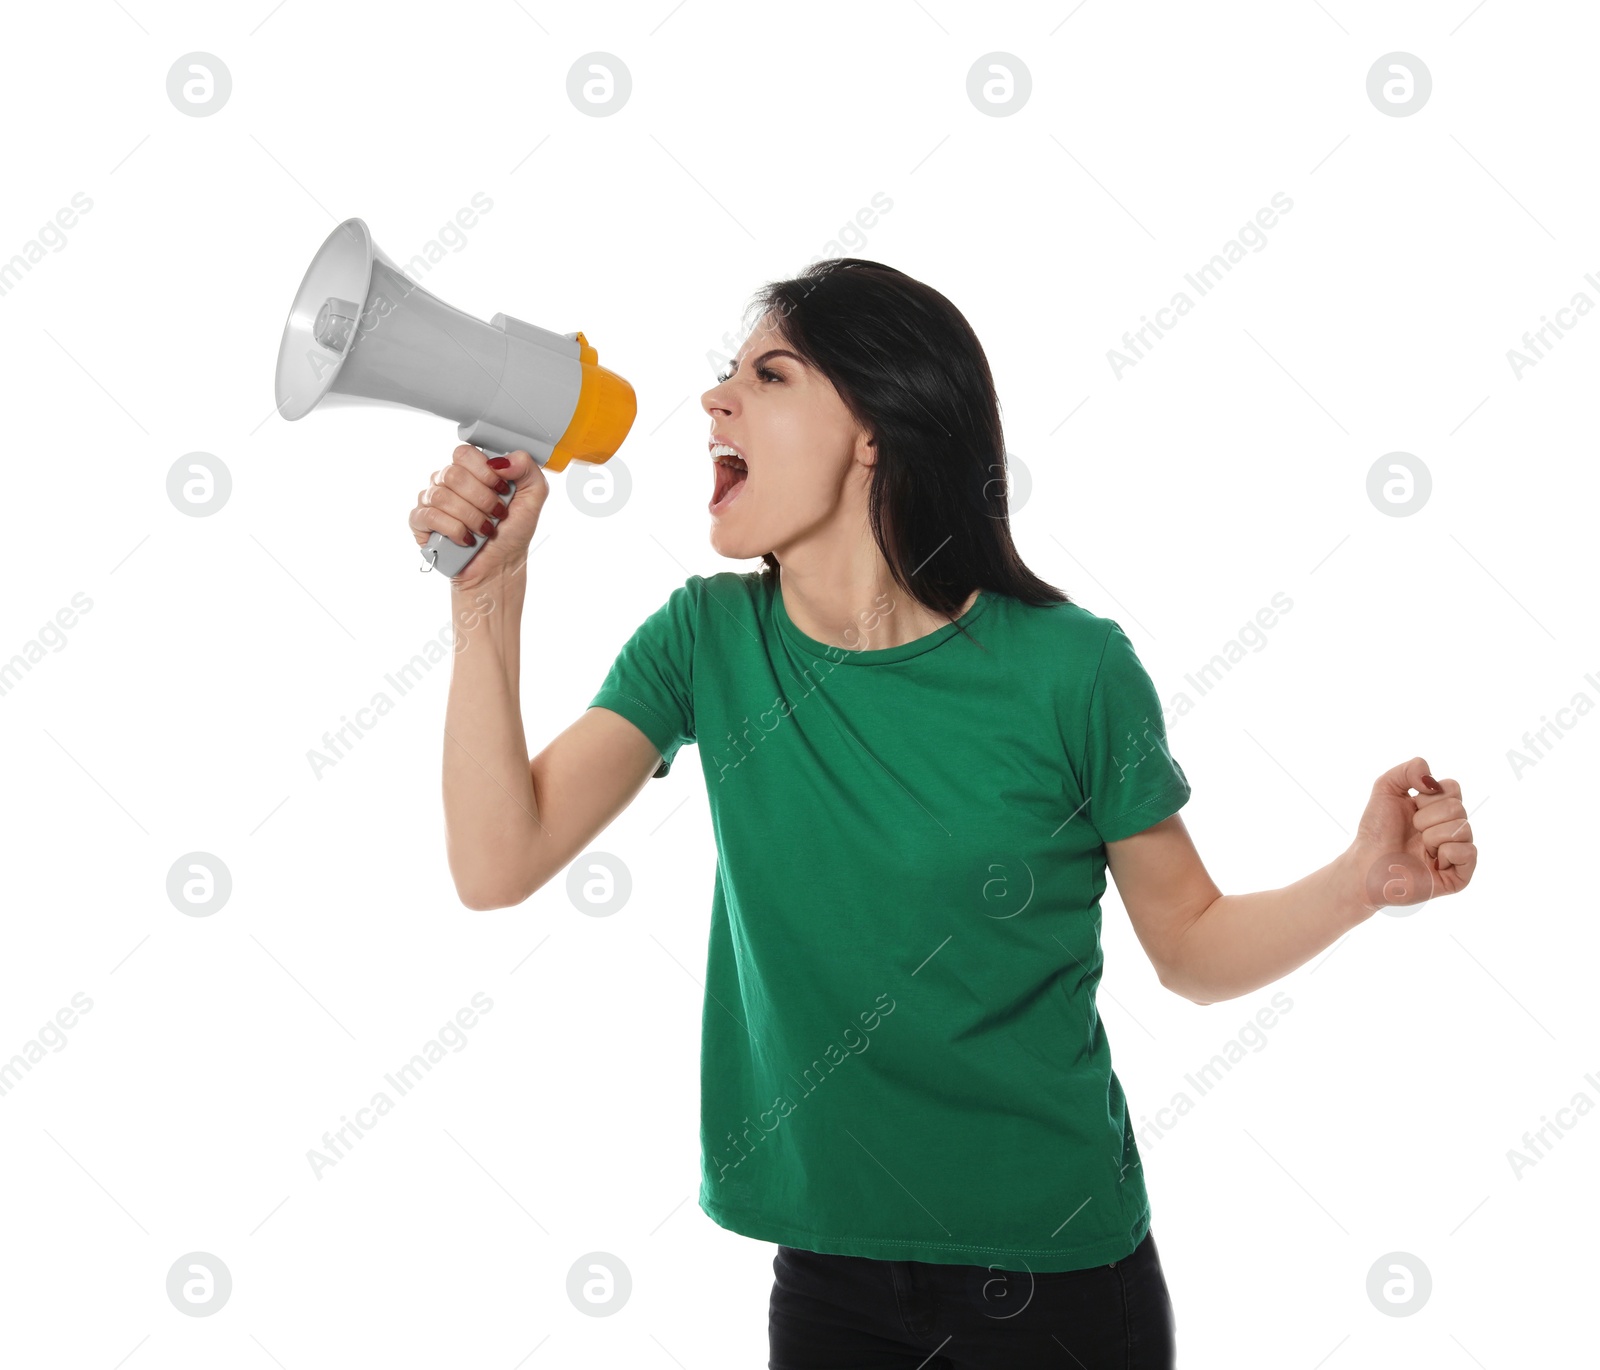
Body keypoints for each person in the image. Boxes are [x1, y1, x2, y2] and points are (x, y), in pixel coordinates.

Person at [409, 259, 1478, 1369]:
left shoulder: (1071, 669)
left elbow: (1192, 947)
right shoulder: (704, 642)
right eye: (724, 377)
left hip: (1057, 1282)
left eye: (768, 375)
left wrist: (1360, 879)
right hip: (828, 1276)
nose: (714, 402)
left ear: (876, 430)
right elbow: (497, 859)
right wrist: (485, 597)